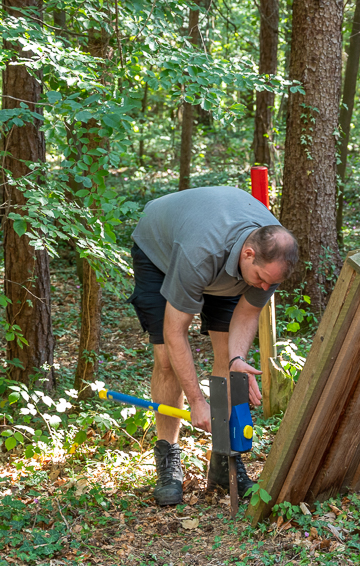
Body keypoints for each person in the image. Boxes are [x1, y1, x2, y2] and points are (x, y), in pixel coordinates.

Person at [128, 186, 299, 506]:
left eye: (271, 283)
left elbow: (248, 313)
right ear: (248, 254)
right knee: (166, 359)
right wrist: (197, 401)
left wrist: (236, 359)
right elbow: (176, 332)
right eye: (262, 279)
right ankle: (168, 462)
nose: (265, 287)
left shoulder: (270, 264)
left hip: (223, 265)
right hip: (161, 252)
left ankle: (223, 460)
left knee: (228, 360)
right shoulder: (200, 253)